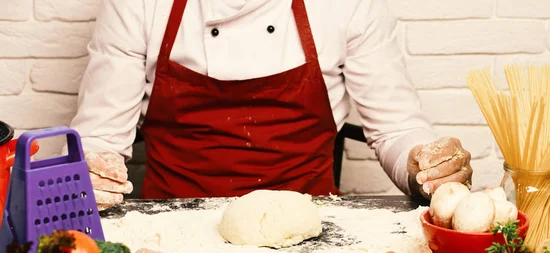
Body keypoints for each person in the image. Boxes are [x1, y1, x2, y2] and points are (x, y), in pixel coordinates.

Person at [70, 0, 473, 210]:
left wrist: (426, 164)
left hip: (316, 232)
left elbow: (397, 128)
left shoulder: (346, 4)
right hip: (169, 231)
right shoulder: (136, 4)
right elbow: (100, 136)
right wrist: (92, 171)